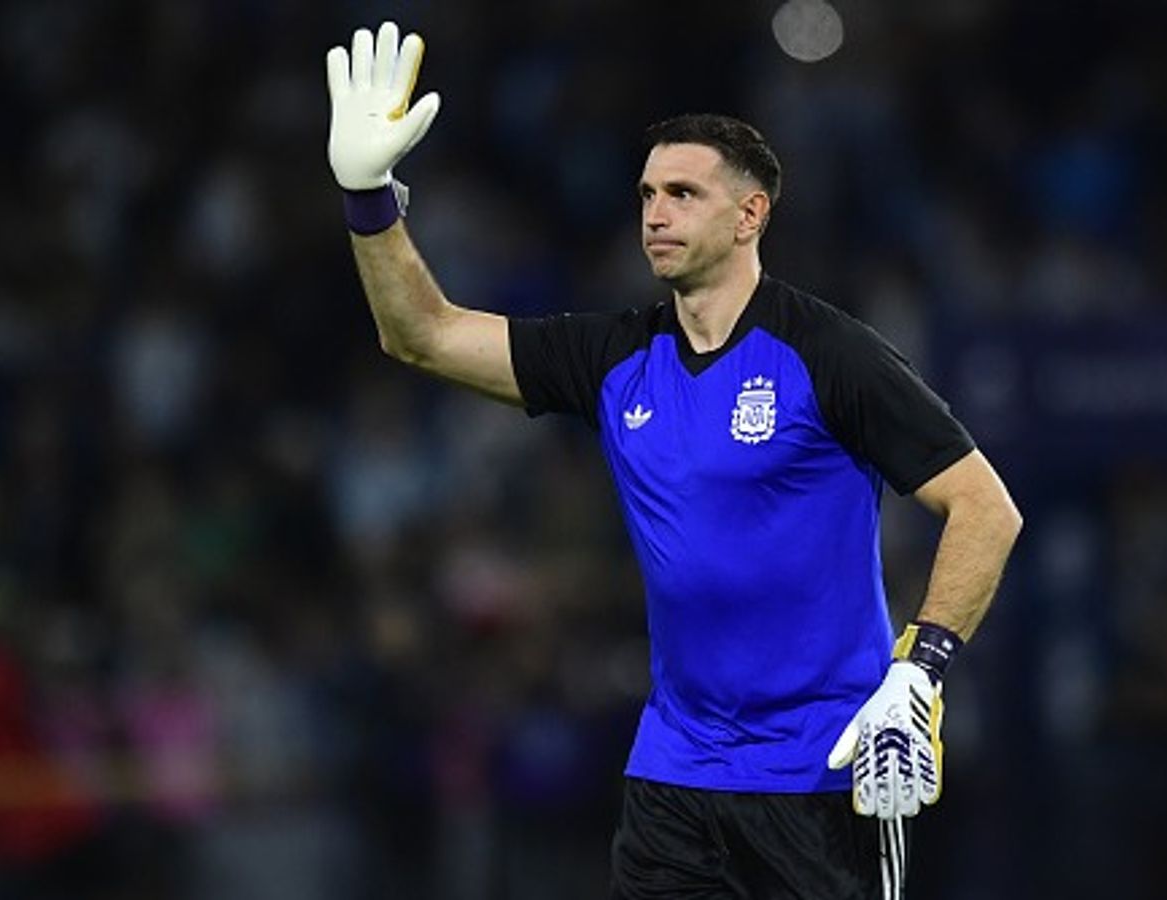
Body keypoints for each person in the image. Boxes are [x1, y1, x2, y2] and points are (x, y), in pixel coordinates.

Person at [325, 21, 1023, 899]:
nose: (655, 212)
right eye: (649, 192)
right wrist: (366, 195)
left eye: (685, 193)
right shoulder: (615, 357)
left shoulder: (831, 354)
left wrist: (918, 672)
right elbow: (421, 335)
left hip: (825, 771)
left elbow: (986, 509)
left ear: (750, 214)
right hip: (677, 775)